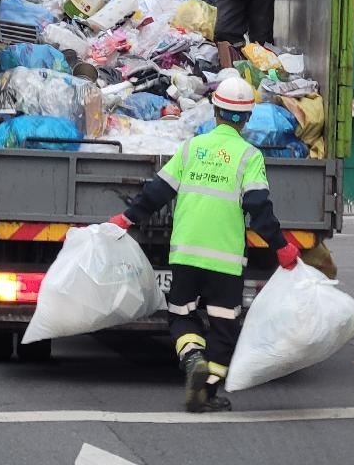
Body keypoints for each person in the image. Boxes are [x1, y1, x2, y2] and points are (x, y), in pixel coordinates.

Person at [108, 76, 300, 413]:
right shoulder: (248, 156)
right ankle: (207, 391)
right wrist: (280, 247)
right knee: (225, 329)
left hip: (186, 253)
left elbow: (158, 192)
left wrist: (127, 218)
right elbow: (259, 207)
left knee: (181, 313)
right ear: (248, 117)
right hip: (225, 261)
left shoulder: (192, 148)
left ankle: (192, 355)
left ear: (215, 111)